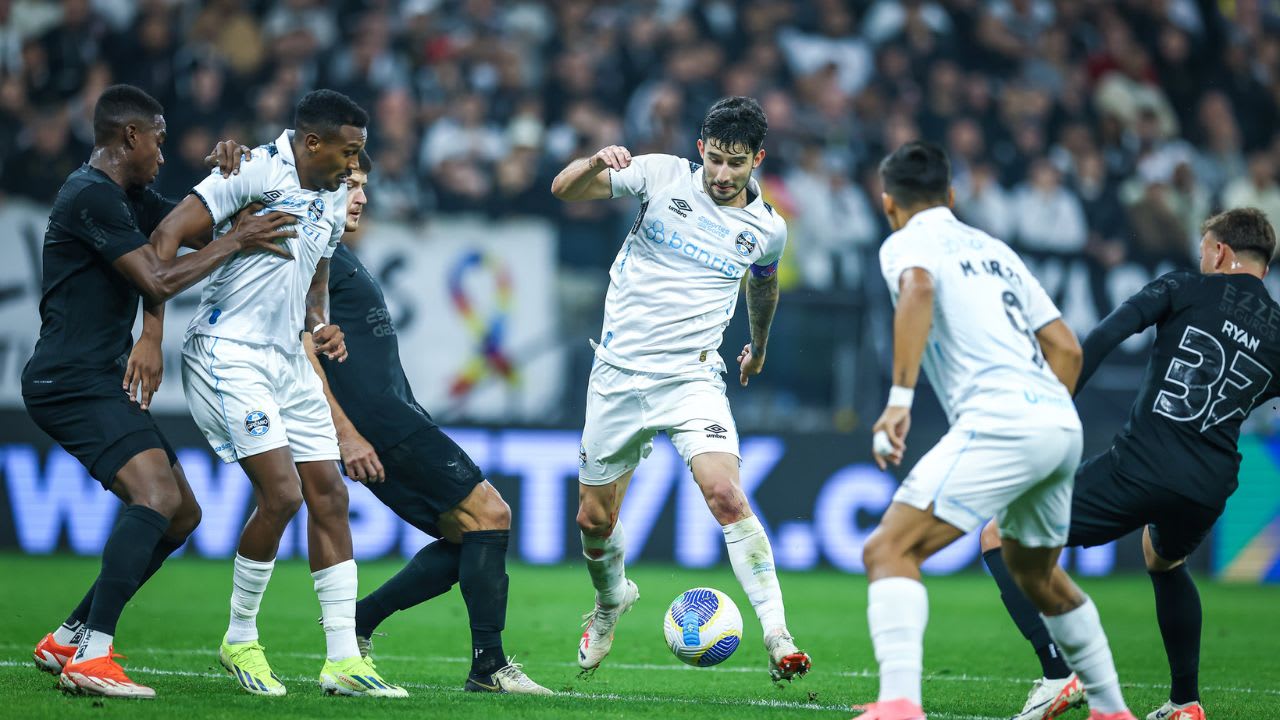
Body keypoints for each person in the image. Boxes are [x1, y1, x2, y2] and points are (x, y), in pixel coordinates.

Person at [26, 84, 294, 699]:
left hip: (95, 379)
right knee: (152, 493)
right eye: (159, 142)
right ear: (130, 137)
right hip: (68, 381)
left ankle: (69, 637)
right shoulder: (89, 196)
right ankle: (94, 655)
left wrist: (242, 172)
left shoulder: (127, 196)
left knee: (183, 513)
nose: (164, 155)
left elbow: (199, 231)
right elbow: (159, 275)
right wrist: (239, 238)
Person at [856, 141, 1135, 720]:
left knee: (889, 549)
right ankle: (1113, 711)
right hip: (1059, 421)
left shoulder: (906, 243)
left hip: (1000, 419)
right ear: (952, 196)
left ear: (889, 204)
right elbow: (1066, 346)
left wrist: (899, 400)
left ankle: (901, 704)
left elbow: (920, 290)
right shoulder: (995, 249)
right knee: (1036, 573)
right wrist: (1043, 410)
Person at [148, 89, 404, 698]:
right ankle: (239, 637)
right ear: (313, 142)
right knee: (283, 494)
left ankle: (344, 661)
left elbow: (316, 271)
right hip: (228, 351)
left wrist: (319, 323)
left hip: (288, 354)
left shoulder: (336, 191)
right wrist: (148, 337)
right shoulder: (253, 170)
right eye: (348, 151)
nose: (354, 166)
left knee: (330, 495)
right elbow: (165, 235)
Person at [980, 207, 1280, 720]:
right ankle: (1186, 702)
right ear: (1265, 268)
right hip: (1210, 484)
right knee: (1164, 558)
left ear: (1221, 251)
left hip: (1143, 465)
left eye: (1205, 248)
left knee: (999, 536)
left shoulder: (1184, 287)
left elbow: (1102, 337)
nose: (1202, 257)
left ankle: (1058, 675)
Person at [550, 96, 811, 682]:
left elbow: (763, 288)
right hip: (617, 373)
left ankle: (778, 635)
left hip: (693, 376)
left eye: (735, 164)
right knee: (593, 520)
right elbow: (563, 191)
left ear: (757, 161)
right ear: (700, 150)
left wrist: (759, 345)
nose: (722, 175)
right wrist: (597, 161)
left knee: (726, 495)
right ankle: (612, 600)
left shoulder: (766, 230)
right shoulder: (660, 175)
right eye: (715, 160)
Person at [301, 150, 551, 695]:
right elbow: (304, 346)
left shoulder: (334, 252)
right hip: (377, 423)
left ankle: (360, 623)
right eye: (349, 185)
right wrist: (344, 430)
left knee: (469, 533)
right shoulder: (310, 252)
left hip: (391, 414)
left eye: (364, 185)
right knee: (490, 513)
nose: (361, 196)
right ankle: (489, 667)